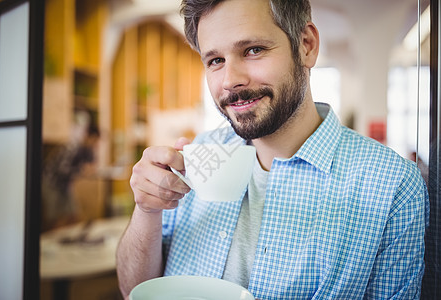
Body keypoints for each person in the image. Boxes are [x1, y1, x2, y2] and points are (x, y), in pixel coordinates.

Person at [116, 0, 429, 299]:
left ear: (306, 45)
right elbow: (135, 290)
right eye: (216, 61)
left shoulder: (392, 185)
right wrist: (147, 210)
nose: (230, 81)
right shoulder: (197, 154)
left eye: (253, 50)